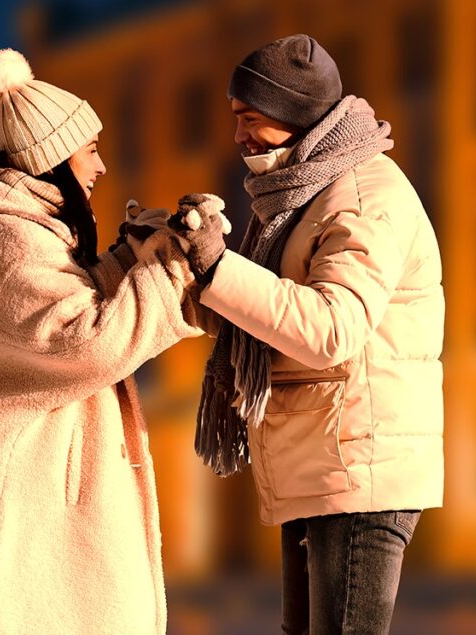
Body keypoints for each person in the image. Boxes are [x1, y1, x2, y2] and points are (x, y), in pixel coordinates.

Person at [0, 48, 208, 634]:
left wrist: (131, 258)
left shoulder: (22, 230)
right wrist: (169, 268)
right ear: (54, 157)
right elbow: (85, 343)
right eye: (91, 151)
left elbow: (63, 308)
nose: (100, 167)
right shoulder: (5, 240)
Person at [169, 34, 445, 635]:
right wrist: (182, 263)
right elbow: (265, 316)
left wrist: (219, 266)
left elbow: (330, 328)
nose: (238, 134)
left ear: (292, 110)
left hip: (359, 465)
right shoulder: (305, 193)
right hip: (321, 460)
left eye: (250, 117)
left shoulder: (364, 197)